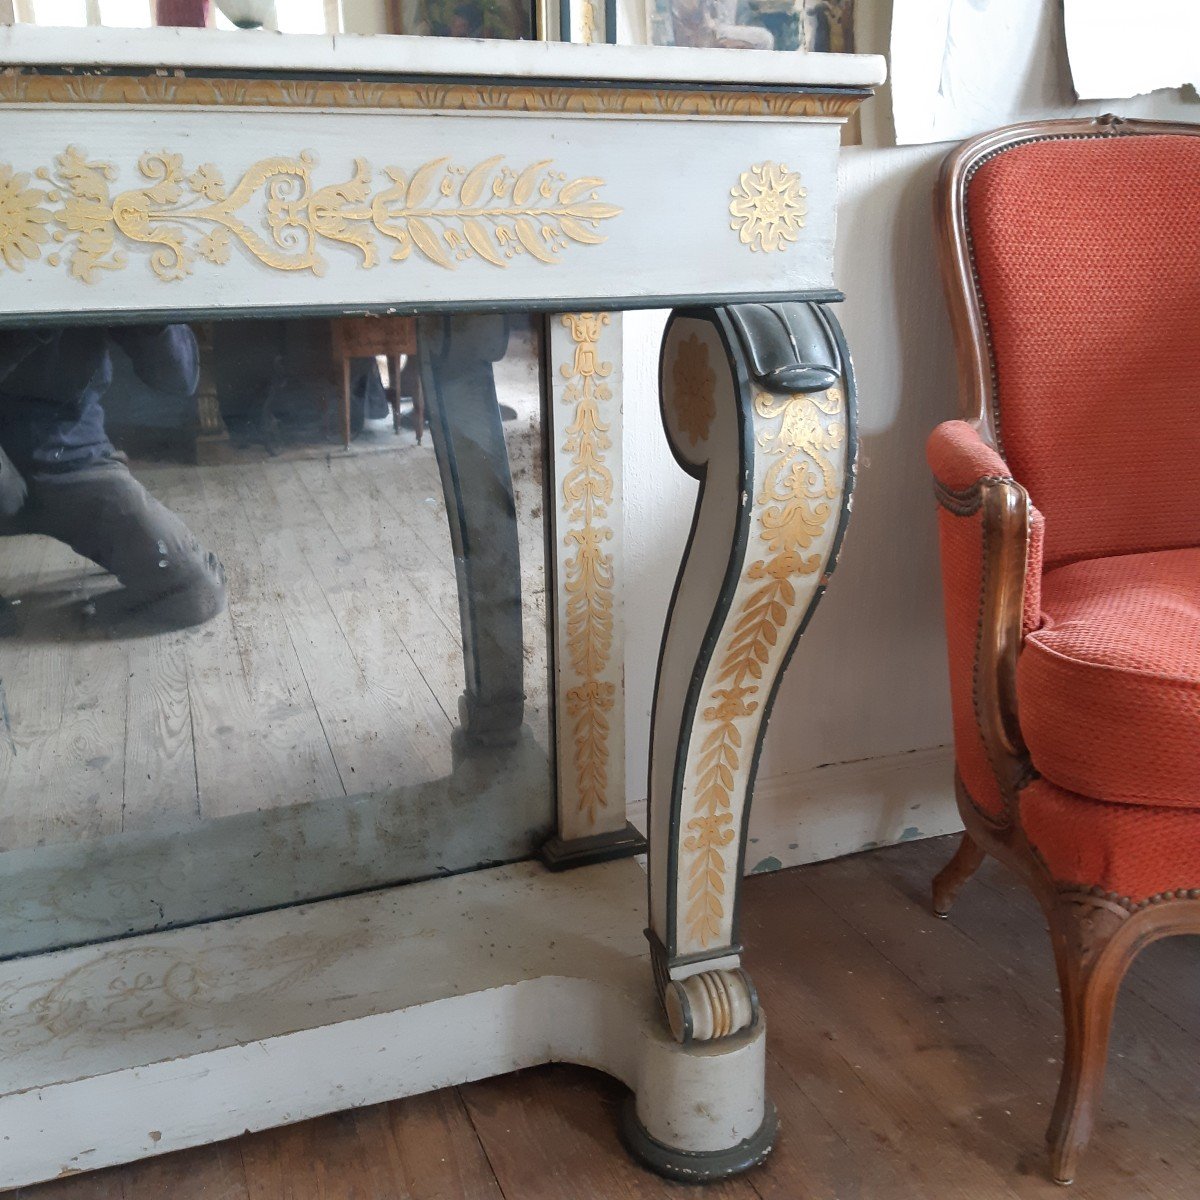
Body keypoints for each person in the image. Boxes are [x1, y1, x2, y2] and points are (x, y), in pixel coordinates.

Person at [0, 324, 227, 629]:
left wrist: (154, 317)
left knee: (196, 593)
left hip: (68, 454)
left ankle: (80, 623)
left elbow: (180, 380)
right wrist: (32, 319)